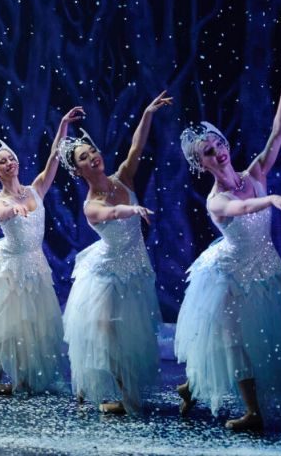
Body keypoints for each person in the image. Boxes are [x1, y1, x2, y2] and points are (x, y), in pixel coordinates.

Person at [174, 72, 281, 430]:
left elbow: (277, 135)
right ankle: (252, 412)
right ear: (200, 163)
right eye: (208, 152)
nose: (217, 153)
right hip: (228, 276)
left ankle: (190, 388)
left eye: (218, 144)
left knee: (253, 339)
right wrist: (271, 198)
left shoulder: (254, 173)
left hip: (260, 268)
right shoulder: (216, 200)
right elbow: (244, 209)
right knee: (236, 343)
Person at [58, 91, 172, 415]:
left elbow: (136, 146)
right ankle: (119, 394)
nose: (93, 157)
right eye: (84, 157)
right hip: (106, 272)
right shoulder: (91, 205)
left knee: (132, 333)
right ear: (78, 170)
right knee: (108, 332)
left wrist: (147, 112)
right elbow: (110, 214)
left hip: (134, 266)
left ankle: (124, 391)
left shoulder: (122, 176)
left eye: (92, 151)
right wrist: (130, 207)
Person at [0, 107, 85, 394]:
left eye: (11, 159)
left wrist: (63, 124)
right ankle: (9, 374)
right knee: (13, 325)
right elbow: (0, 213)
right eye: (3, 162)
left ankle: (25, 376)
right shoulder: (0, 200)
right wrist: (12, 209)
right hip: (10, 267)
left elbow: (55, 156)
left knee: (35, 325)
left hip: (35, 264)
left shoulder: (36, 188)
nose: (9, 163)